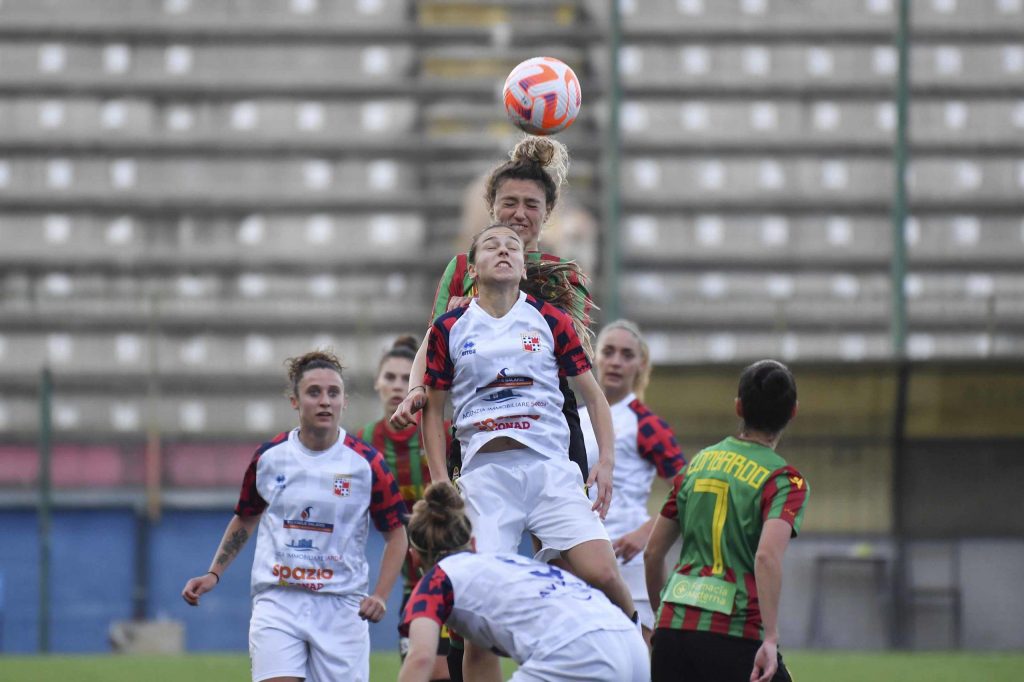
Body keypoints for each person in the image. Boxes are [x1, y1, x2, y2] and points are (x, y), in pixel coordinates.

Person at [420, 223, 637, 680]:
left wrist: (605, 462)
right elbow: (434, 412)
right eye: (492, 246)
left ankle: (632, 657)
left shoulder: (550, 320)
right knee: (480, 613)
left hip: (550, 472)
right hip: (486, 479)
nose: (504, 251)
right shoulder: (450, 328)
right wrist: (441, 480)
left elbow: (593, 397)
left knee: (604, 575)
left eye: (512, 246)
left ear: (522, 264)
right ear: (473, 268)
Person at [181, 350, 409, 682]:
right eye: (313, 392)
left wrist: (380, 595)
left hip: (341, 606)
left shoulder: (366, 464)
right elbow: (246, 517)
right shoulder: (269, 458)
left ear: (344, 401)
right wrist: (214, 573)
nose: (325, 401)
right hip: (278, 599)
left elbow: (396, 535)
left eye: (334, 393)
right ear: (294, 401)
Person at [390, 135, 593, 485]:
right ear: (491, 206)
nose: (519, 213)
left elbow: (571, 352)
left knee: (561, 535)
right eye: (509, 202)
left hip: (549, 422)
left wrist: (482, 308)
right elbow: (433, 341)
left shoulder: (564, 273)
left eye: (531, 204)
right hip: (477, 416)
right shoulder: (460, 269)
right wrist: (415, 389)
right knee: (476, 533)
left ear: (548, 212)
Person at [644, 359, 809, 682]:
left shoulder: (697, 465)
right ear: (793, 412)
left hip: (671, 627)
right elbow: (766, 556)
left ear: (738, 407)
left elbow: (652, 553)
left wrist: (663, 617)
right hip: (734, 631)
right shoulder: (783, 480)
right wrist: (771, 637)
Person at [398, 481, 649, 682]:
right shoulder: (509, 566)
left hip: (575, 653)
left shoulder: (437, 581)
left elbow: (420, 659)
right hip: (629, 644)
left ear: (414, 556)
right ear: (473, 544)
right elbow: (478, 662)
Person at [580, 319, 686, 645]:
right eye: (608, 352)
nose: (615, 361)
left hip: (627, 562)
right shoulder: (572, 416)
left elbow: (691, 488)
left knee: (639, 655)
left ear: (640, 365)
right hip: (578, 553)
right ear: (594, 357)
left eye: (627, 355)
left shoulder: (646, 423)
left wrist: (646, 533)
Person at [356, 335, 450, 681]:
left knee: (447, 671)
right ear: (377, 383)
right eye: (389, 377)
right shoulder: (363, 442)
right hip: (412, 580)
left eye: (404, 377)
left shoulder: (444, 434)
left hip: (454, 572)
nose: (397, 386)